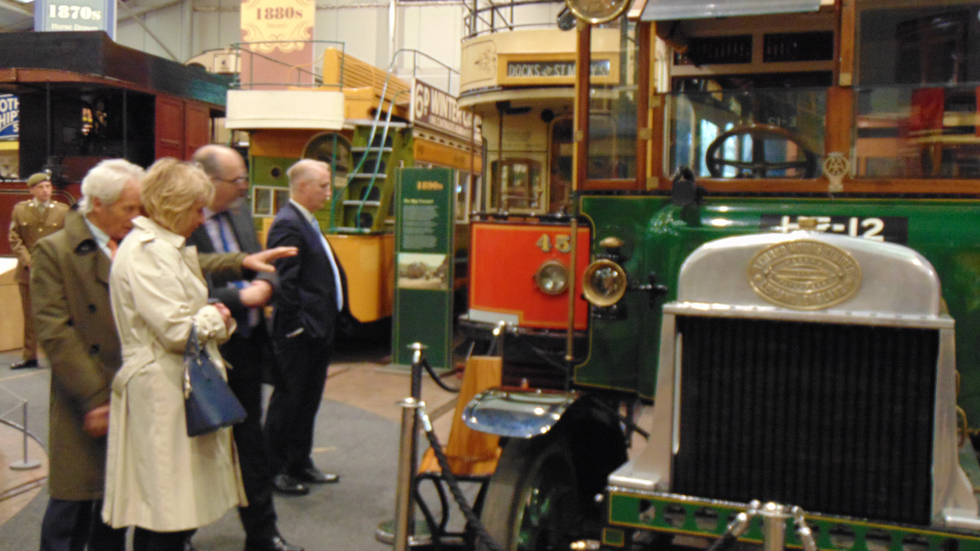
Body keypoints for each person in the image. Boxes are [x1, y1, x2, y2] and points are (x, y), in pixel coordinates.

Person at [31, 159, 280, 551]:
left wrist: (239, 265)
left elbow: (189, 265)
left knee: (141, 510)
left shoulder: (147, 244)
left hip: (150, 386)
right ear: (98, 204)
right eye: (129, 208)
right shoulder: (68, 250)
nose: (137, 214)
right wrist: (217, 315)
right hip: (112, 389)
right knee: (82, 510)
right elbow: (57, 333)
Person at [102, 158, 295, 551]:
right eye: (195, 209)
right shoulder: (145, 251)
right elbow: (177, 329)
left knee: (172, 507)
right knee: (164, 510)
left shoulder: (159, 247)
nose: (200, 219)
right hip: (161, 390)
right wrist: (217, 314)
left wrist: (208, 316)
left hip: (174, 386)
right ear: (174, 206)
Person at [187, 145, 302, 551]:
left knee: (250, 446)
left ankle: (263, 534)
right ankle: (175, 534)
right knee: (196, 447)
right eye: (236, 180)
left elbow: (261, 268)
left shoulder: (238, 213)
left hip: (248, 350)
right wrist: (243, 299)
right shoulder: (179, 222)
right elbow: (183, 287)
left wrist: (267, 287)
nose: (243, 188)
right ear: (207, 180)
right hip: (202, 358)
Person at [264, 159, 347, 495]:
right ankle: (275, 469)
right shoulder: (288, 224)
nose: (329, 192)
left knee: (308, 400)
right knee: (288, 401)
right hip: (300, 333)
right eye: (323, 186)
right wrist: (298, 325)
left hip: (318, 330)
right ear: (302, 187)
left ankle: (300, 462)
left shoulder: (307, 221)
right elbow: (286, 282)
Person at [9, 172, 69, 369]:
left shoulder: (62, 211)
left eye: (48, 187)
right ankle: (29, 356)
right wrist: (27, 260)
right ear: (32, 190)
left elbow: (67, 239)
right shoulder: (21, 210)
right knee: (29, 316)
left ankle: (58, 356)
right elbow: (15, 238)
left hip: (52, 272)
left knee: (55, 315)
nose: (46, 191)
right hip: (27, 272)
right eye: (41, 187)